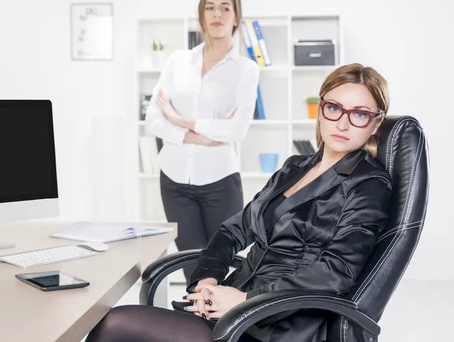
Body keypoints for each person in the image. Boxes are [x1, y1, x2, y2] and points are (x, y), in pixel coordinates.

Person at [87, 63, 392, 342]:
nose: (343, 122)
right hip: (230, 306)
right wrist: (207, 280)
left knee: (113, 326)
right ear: (321, 108)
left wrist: (245, 300)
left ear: (375, 123)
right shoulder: (294, 167)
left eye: (360, 114)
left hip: (277, 323)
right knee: (112, 325)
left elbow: (336, 271)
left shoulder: (369, 184)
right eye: (335, 108)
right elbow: (234, 231)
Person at [144, 0, 260, 282]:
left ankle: (224, 328)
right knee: (190, 269)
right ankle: (194, 328)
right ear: (201, 16)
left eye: (225, 8)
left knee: (225, 265)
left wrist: (182, 120)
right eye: (210, 7)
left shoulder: (245, 70)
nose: (217, 14)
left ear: (236, 18)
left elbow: (237, 129)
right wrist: (200, 135)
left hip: (220, 182)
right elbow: (153, 119)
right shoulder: (177, 62)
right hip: (174, 182)